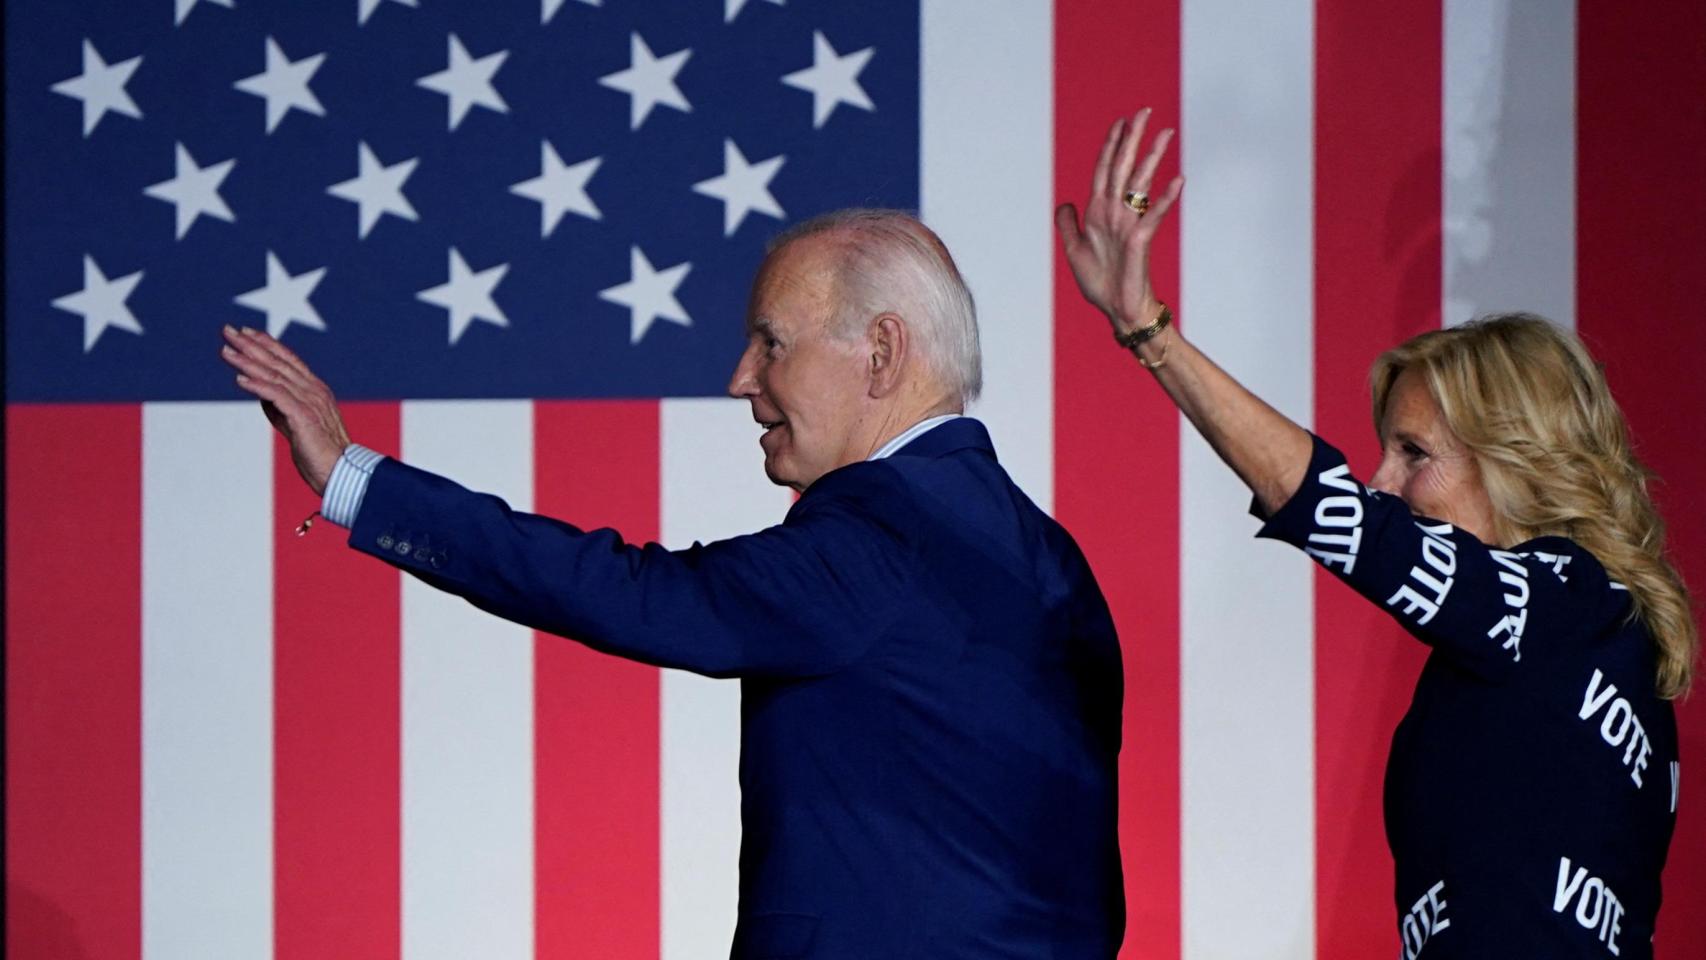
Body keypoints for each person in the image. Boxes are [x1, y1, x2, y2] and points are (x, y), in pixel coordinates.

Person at [222, 209, 1127, 958]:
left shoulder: (880, 530)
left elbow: (635, 592)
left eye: (771, 344)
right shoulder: (1053, 558)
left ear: (882, 354)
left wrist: (354, 476)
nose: (742, 381)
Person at [1056, 108, 1693, 956]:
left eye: (1413, 453)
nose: (1382, 482)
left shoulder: (1567, 601)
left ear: (1514, 461)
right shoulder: (1560, 634)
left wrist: (1150, 333)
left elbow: (1334, 510)